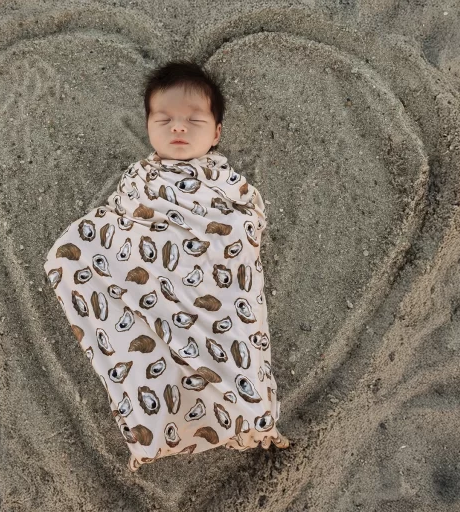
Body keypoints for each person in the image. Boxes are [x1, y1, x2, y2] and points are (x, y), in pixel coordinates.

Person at [43, 59, 289, 472]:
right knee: (76, 255)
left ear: (216, 133)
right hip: (149, 282)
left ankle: (247, 413)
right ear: (149, 128)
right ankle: (159, 425)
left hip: (214, 286)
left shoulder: (230, 188)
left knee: (234, 344)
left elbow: (241, 229)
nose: (179, 127)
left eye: (194, 119)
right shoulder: (139, 181)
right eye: (165, 119)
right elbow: (122, 224)